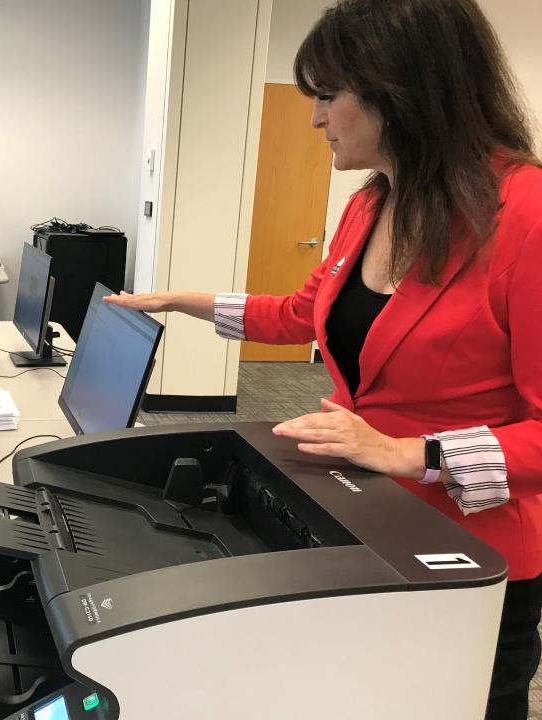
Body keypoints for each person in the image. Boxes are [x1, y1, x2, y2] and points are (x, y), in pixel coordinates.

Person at [106, 1, 542, 717]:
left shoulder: (525, 215)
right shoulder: (370, 205)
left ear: (396, 90)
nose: (315, 119)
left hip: (470, 559)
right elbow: (304, 313)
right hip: (361, 517)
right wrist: (180, 301)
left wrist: (412, 453)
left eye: (327, 96)